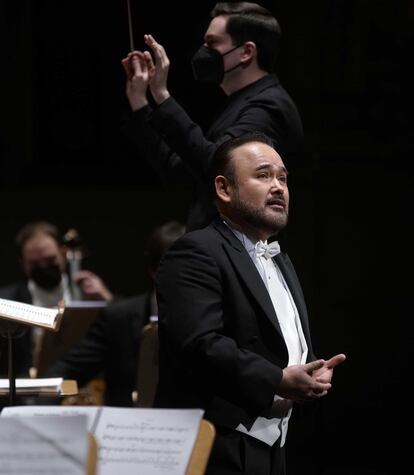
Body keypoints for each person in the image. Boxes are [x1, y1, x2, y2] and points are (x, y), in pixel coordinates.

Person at [154, 132, 345, 475]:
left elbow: (279, 340)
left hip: (276, 445)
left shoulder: (280, 259)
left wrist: (312, 370)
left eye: (283, 178)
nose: (278, 187)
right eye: (263, 175)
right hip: (216, 445)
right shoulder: (195, 251)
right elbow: (198, 343)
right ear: (224, 189)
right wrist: (276, 379)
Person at [121, 2, 304, 231]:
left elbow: (218, 168)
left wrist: (162, 94)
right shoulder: (238, 104)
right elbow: (180, 172)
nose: (203, 50)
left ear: (246, 52)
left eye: (212, 43)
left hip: (237, 255)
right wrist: (140, 101)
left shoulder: (268, 107)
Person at [46, 220, 185, 407]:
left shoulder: (220, 315)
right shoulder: (118, 318)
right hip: (127, 429)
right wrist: (26, 398)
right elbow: (68, 371)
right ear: (154, 271)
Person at [0, 221, 113, 377]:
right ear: (22, 263)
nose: (43, 266)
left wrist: (108, 299)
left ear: (63, 252)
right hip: (32, 390)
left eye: (50, 260)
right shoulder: (8, 301)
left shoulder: (88, 292)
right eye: (34, 263)